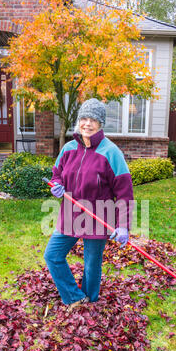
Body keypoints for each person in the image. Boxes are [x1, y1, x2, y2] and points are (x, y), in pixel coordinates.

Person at [44, 98, 134, 310]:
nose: (87, 123)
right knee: (53, 255)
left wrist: (123, 225)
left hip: (99, 217)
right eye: (84, 118)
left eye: (93, 119)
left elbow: (124, 193)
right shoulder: (68, 148)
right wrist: (56, 185)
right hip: (71, 214)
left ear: (101, 123)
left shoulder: (111, 153)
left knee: (92, 265)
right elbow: (56, 173)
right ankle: (75, 298)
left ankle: (90, 302)